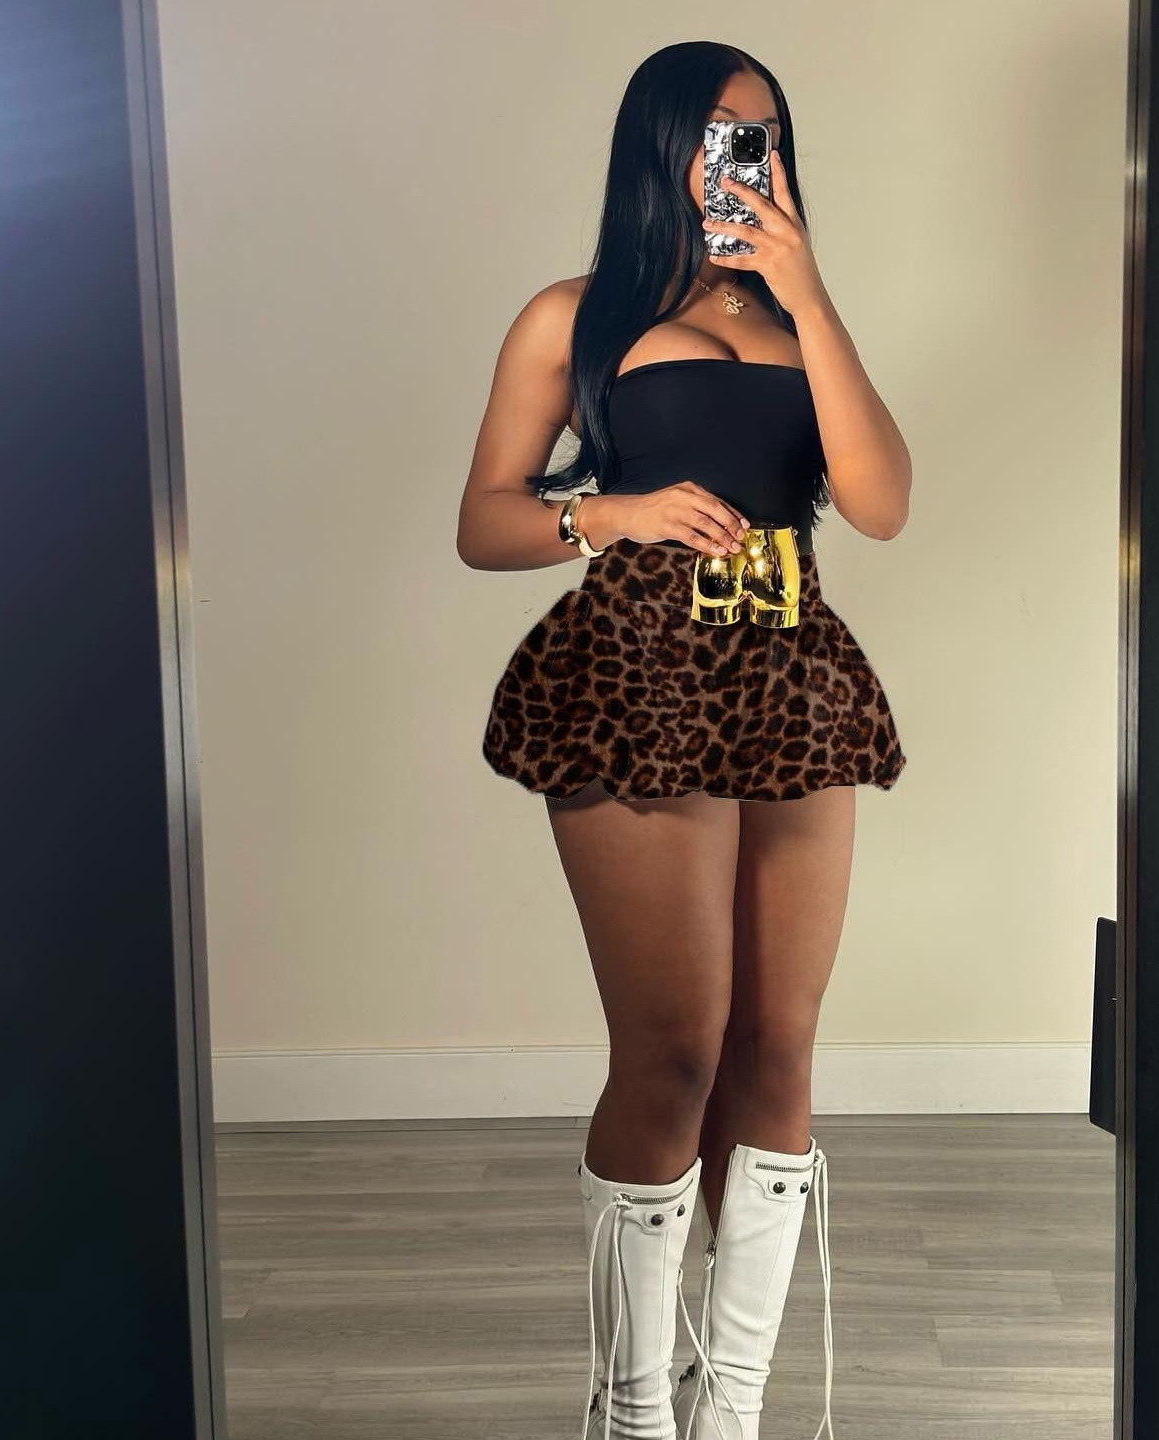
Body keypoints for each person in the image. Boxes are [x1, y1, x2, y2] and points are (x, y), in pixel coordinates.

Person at [457, 39, 910, 1440]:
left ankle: (736, 1413)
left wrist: (809, 294)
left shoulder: (800, 317)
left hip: (790, 672)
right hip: (637, 675)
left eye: (764, 136)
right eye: (720, 133)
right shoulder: (574, 317)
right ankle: (635, 1412)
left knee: (779, 1045)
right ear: (658, 144)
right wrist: (610, 512)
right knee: (672, 1049)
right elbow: (484, 520)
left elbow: (881, 503)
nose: (744, 159)